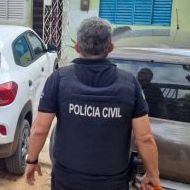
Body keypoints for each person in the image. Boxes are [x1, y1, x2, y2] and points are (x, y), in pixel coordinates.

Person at [25, 17, 161, 190]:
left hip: (67, 181)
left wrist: (32, 160)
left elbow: (39, 129)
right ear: (110, 47)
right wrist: (153, 174)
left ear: (77, 48)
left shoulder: (59, 80)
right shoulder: (130, 84)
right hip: (113, 183)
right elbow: (145, 138)